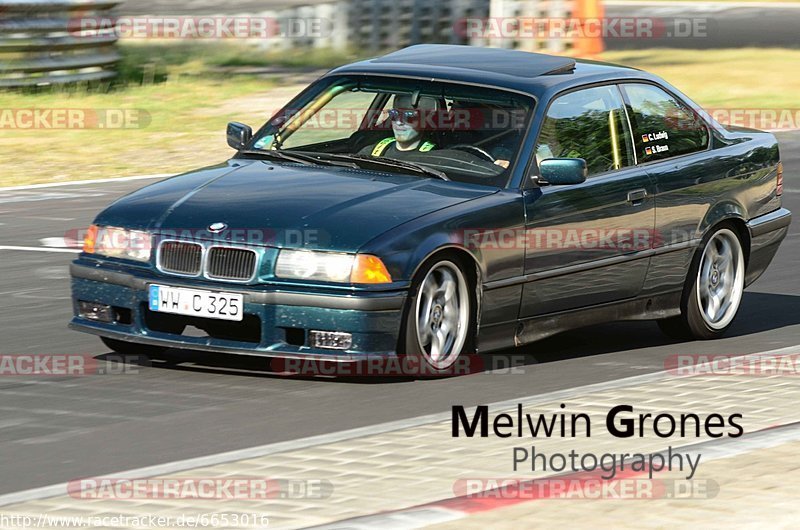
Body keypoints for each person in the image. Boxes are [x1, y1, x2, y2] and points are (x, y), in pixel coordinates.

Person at [360, 94, 438, 158]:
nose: (399, 122)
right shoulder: (372, 151)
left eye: (409, 117)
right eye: (394, 115)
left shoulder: (435, 157)